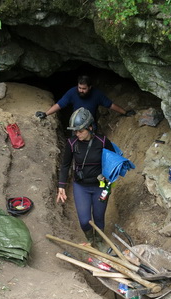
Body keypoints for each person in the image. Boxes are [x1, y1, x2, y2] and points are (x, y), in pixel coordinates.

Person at [56, 107, 115, 252]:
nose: (77, 134)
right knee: (84, 220)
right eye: (75, 131)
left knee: (99, 217)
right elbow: (65, 165)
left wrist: (108, 181)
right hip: (81, 186)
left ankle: (99, 240)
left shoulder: (102, 141)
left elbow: (113, 161)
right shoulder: (71, 143)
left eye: (80, 131)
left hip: (100, 185)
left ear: (90, 127)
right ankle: (90, 238)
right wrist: (61, 186)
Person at [35, 75, 135, 128]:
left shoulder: (97, 94)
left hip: (91, 125)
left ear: (90, 87)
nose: (81, 90)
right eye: (79, 87)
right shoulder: (72, 92)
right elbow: (60, 104)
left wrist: (125, 112)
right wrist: (45, 114)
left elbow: (111, 105)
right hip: (75, 125)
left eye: (84, 88)